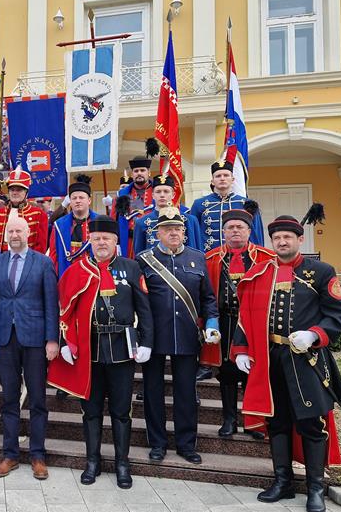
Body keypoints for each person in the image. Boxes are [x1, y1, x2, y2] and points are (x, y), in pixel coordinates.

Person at [232, 208, 341, 512]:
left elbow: (336, 315)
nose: (282, 242)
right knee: (278, 421)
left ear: (299, 239)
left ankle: (315, 489)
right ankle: (282, 482)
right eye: (277, 238)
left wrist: (314, 335)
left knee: (311, 423)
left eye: (287, 237)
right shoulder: (260, 271)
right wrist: (241, 349)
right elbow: (246, 314)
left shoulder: (321, 271)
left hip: (307, 359)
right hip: (270, 359)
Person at [48, 216, 154, 488]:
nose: (101, 243)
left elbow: (144, 308)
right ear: (90, 242)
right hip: (89, 350)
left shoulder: (131, 268)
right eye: (96, 239)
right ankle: (92, 461)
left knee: (121, 411)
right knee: (91, 411)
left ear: (116, 241)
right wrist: (64, 342)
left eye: (106, 238)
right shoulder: (77, 269)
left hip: (121, 349)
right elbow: (65, 311)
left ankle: (122, 463)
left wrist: (147, 342)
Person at [136, 206, 219, 464]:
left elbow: (208, 298)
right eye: (167, 229)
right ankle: (158, 443)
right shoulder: (143, 259)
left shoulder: (197, 258)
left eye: (177, 228)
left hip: (186, 335)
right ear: (157, 233)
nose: (173, 233)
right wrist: (141, 338)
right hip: (154, 337)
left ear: (184, 232)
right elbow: (139, 301)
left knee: (185, 392)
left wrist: (212, 324)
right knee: (153, 392)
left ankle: (186, 444)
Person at [0, 216, 59, 480]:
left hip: (36, 338)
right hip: (4, 337)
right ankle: (10, 455)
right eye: (11, 230)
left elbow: (52, 302)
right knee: (9, 398)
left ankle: (38, 455)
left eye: (19, 230)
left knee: (37, 398)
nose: (14, 234)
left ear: (28, 233)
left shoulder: (43, 262)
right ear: (6, 235)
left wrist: (52, 339)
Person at [201, 201, 274, 438]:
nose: (235, 231)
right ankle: (229, 419)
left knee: (253, 371)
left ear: (249, 231)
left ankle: (253, 420)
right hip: (226, 322)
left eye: (240, 227)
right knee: (227, 374)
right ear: (223, 231)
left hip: (255, 325)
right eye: (230, 227)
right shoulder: (210, 258)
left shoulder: (266, 257)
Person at [190, 159, 264, 252]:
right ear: (212, 181)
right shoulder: (199, 204)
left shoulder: (247, 204)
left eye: (226, 175)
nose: (222, 178)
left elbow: (256, 234)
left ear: (232, 179)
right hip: (208, 257)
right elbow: (193, 233)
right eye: (218, 176)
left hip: (241, 258)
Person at [133, 175, 202, 255]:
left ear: (173, 194)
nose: (162, 195)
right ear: (153, 195)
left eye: (166, 191)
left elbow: (198, 252)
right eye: (158, 192)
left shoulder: (190, 220)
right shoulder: (141, 222)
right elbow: (139, 255)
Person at [0, 166, 49, 253]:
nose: (15, 193)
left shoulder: (39, 214)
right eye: (12, 190)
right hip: (1, 261)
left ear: (26, 193)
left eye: (19, 190)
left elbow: (41, 247)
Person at [48, 174, 98, 278]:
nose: (78, 201)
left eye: (81, 197)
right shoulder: (59, 225)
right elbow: (54, 255)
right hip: (67, 276)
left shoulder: (100, 222)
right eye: (74, 198)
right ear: (70, 202)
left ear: (89, 200)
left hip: (94, 276)